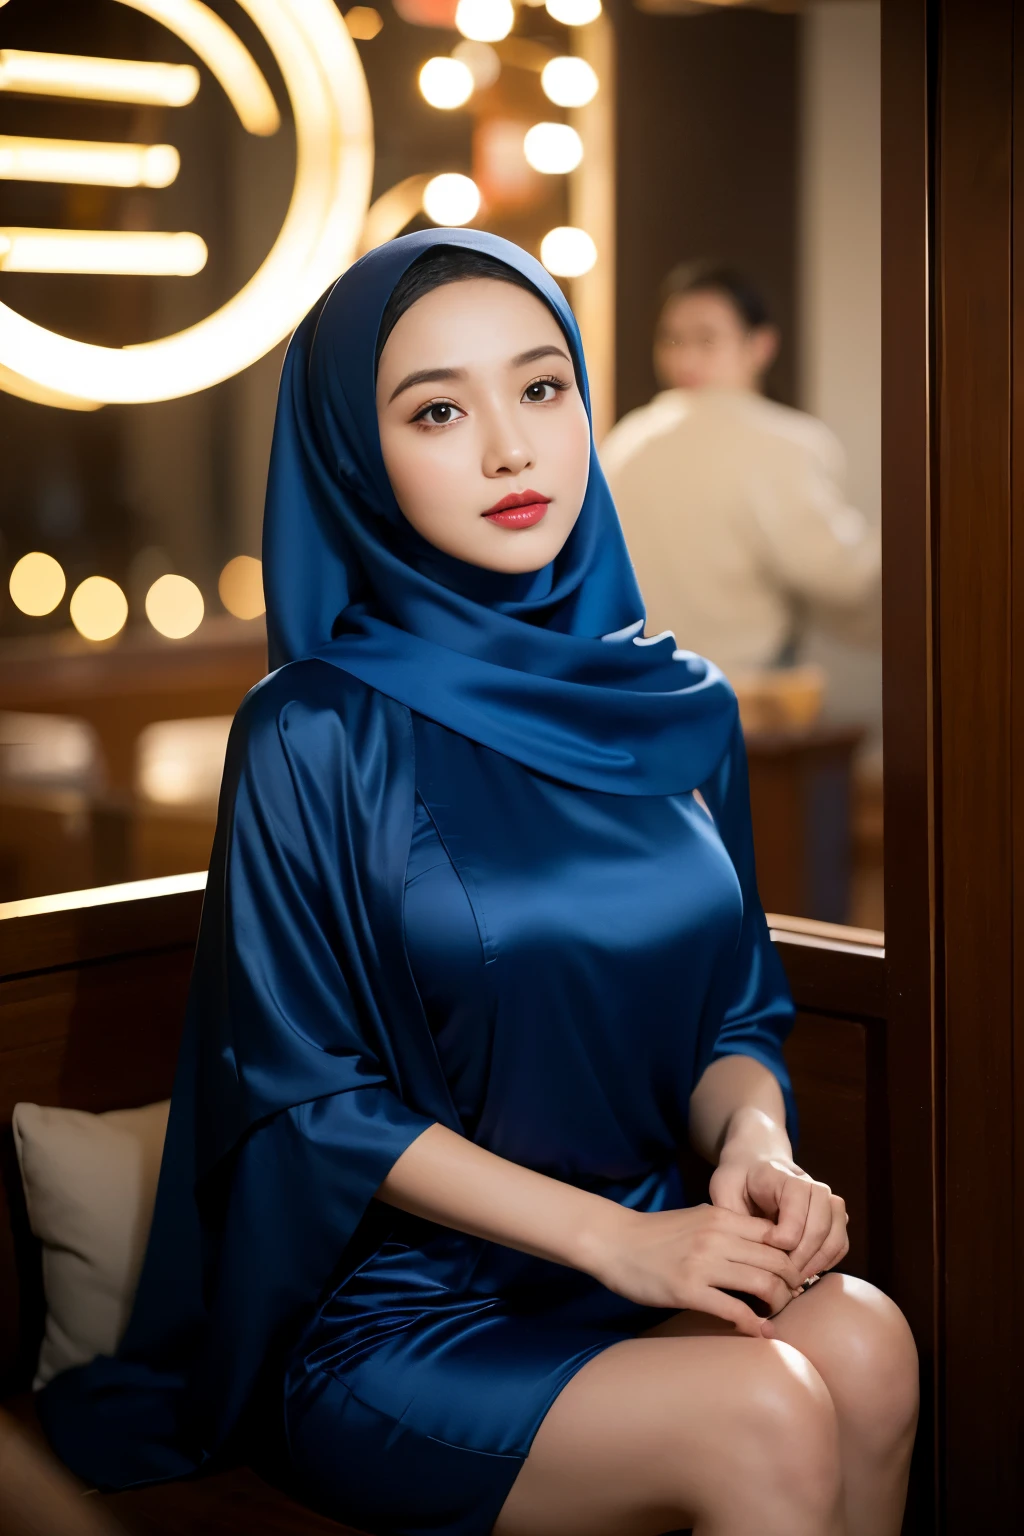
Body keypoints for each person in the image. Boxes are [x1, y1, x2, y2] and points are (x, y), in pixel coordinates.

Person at [35, 231, 917, 1536]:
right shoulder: (311, 728)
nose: (511, 449)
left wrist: (757, 1147)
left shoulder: (683, 708)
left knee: (871, 1345)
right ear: (355, 453)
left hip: (648, 1245)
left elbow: (737, 1023)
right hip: (408, 1311)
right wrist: (621, 1243)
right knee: (769, 1411)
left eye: (542, 387)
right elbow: (312, 1099)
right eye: (439, 409)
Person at [601, 261, 881, 682]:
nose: (685, 356)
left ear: (760, 344)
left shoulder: (625, 439)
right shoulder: (785, 442)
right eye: (672, 339)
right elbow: (845, 578)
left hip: (637, 686)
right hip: (743, 694)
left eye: (706, 339)